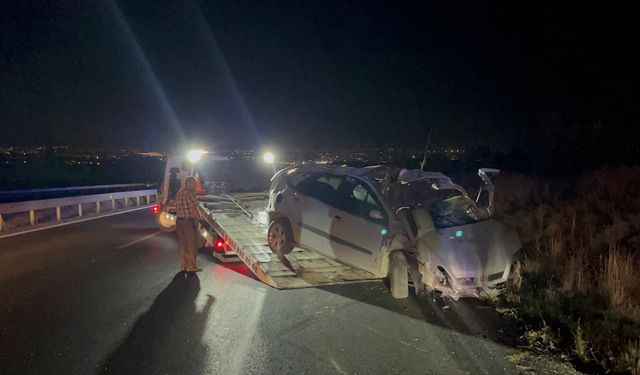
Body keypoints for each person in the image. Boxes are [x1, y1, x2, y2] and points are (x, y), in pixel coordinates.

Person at [175, 176, 203, 272]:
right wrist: (200, 219)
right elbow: (193, 208)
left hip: (179, 221)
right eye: (194, 183)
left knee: (183, 244)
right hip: (188, 222)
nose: (195, 186)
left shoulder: (179, 192)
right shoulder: (190, 193)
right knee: (192, 245)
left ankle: (184, 264)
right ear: (189, 183)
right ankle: (191, 266)